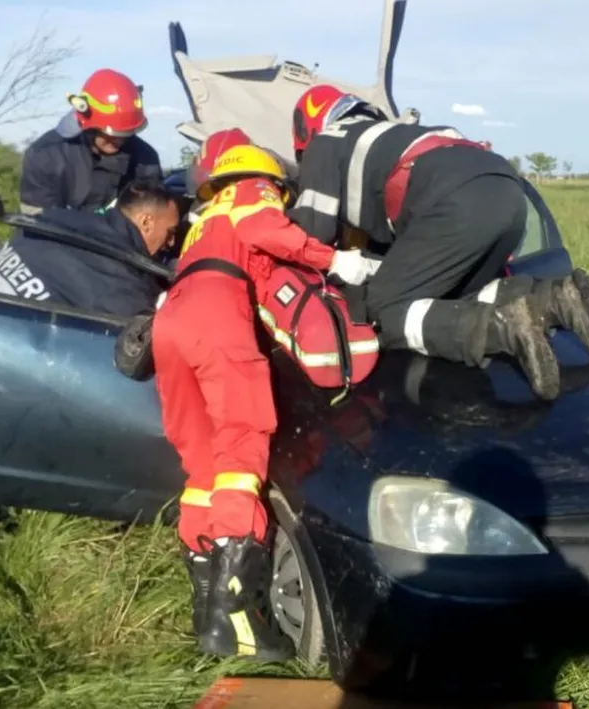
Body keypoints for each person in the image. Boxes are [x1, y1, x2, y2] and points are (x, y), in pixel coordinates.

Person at [152, 143, 372, 661]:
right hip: (216, 321)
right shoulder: (254, 192)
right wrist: (335, 259)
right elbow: (267, 232)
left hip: (171, 323)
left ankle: (206, 611)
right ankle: (239, 620)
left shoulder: (206, 219)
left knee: (202, 468)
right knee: (241, 450)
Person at [286, 84, 589, 400]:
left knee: (383, 309)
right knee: (455, 293)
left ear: (307, 130)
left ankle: (500, 330)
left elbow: (307, 237)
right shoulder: (388, 134)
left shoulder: (327, 142)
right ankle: (555, 299)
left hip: (452, 201)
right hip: (508, 190)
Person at [0, 181, 181, 317]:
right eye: (170, 233)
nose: (171, 243)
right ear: (146, 222)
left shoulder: (55, 219)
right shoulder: (122, 289)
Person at [19, 68, 162, 215]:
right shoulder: (45, 155)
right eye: (111, 134)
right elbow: (38, 223)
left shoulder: (145, 160)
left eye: (126, 133)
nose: (119, 140)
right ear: (87, 122)